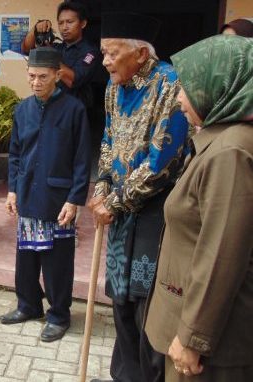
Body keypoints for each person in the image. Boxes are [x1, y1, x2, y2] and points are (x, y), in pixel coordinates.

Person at [87, 12, 190, 382]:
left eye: (112, 53)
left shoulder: (171, 85)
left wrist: (114, 201)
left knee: (148, 301)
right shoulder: (115, 86)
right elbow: (107, 140)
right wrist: (100, 188)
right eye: (103, 53)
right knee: (120, 299)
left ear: (141, 55)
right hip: (118, 213)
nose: (105, 61)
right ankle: (125, 375)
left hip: (155, 214)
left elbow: (163, 160)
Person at [145, 35, 253, 382]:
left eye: (187, 88)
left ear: (220, 86)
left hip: (206, 350)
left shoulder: (231, 153)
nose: (178, 100)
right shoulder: (221, 139)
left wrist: (192, 338)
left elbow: (221, 254)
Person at [0, 47, 90, 342]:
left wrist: (75, 199)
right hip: (27, 193)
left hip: (58, 197)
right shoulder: (22, 109)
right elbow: (14, 154)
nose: (36, 82)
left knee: (56, 261)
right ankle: (28, 305)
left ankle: (59, 315)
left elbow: (81, 159)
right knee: (26, 257)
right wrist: (12, 190)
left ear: (57, 75)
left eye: (43, 76)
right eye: (32, 76)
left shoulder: (74, 109)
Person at [20, 1, 100, 109]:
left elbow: (74, 80)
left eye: (69, 22)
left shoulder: (90, 51)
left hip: (76, 111)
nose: (64, 27)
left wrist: (50, 56)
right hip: (53, 109)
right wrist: (36, 28)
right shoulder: (57, 48)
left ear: (83, 23)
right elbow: (26, 49)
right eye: (61, 23)